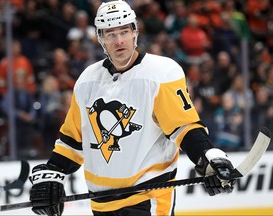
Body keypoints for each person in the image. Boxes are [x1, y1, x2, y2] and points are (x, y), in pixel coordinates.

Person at [29, 1, 235, 215]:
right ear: (100, 39)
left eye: (124, 31)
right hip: (100, 203)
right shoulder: (87, 80)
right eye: (110, 34)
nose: (119, 41)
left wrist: (207, 154)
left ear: (135, 32)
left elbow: (184, 127)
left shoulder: (161, 73)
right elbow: (73, 140)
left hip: (148, 199)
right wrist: (53, 171)